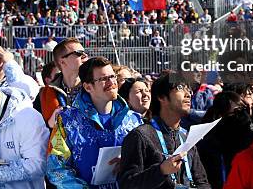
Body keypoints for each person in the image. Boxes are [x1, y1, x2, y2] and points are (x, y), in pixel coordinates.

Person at [47, 56, 142, 188]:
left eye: (113, 76)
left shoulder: (133, 120)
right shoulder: (68, 121)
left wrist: (130, 162)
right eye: (103, 79)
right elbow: (56, 168)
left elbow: (147, 159)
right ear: (87, 87)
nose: (111, 82)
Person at [117, 71, 210, 188]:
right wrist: (160, 171)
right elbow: (127, 184)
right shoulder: (140, 136)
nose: (188, 94)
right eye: (180, 88)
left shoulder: (186, 136)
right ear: (162, 97)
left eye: (189, 90)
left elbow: (202, 181)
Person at [198, 91, 253, 189]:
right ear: (220, 115)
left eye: (242, 110)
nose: (241, 116)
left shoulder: (251, 138)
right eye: (236, 112)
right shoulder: (208, 145)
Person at [39, 38, 89, 128]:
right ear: (62, 62)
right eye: (78, 53)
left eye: (84, 52)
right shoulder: (46, 93)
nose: (85, 55)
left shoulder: (95, 85)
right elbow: (41, 129)